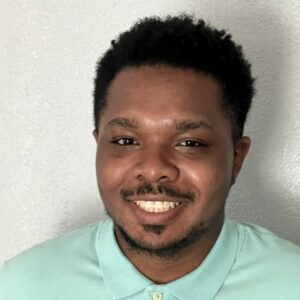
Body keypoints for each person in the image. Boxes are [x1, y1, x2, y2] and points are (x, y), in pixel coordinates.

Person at [1, 14, 300, 300]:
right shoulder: (21, 286)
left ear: (236, 158)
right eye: (126, 140)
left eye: (190, 142)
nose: (154, 168)